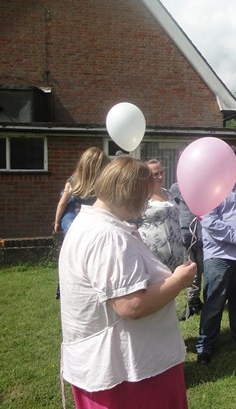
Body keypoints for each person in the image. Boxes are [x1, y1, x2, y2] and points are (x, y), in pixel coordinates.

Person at [58, 155, 197, 408]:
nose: (145, 204)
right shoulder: (107, 236)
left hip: (119, 365)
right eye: (143, 197)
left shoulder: (89, 223)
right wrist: (178, 281)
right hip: (128, 375)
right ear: (128, 194)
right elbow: (131, 305)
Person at [195, 147, 236, 365]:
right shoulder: (211, 188)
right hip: (221, 256)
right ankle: (206, 345)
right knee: (214, 303)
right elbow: (209, 221)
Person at [138, 159, 186, 272]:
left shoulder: (168, 193)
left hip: (176, 257)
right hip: (154, 259)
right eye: (155, 174)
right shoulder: (141, 197)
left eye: (161, 172)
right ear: (145, 176)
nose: (160, 177)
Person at [53, 147, 110, 236]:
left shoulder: (73, 181)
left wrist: (57, 222)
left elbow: (62, 203)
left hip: (73, 217)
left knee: (71, 232)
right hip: (91, 217)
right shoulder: (102, 185)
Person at [170, 182, 204, 320]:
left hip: (203, 234)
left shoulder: (204, 185)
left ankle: (205, 301)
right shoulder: (176, 188)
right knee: (191, 269)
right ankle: (193, 301)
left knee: (203, 268)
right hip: (185, 234)